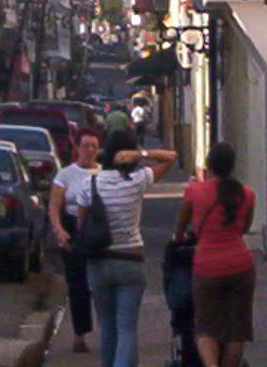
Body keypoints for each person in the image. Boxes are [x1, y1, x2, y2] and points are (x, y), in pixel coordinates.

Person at [75, 130, 177, 367]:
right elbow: (170, 157)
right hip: (130, 260)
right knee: (127, 327)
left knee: (107, 327)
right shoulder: (137, 180)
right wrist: (140, 153)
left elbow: (81, 224)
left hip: (99, 262)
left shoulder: (90, 183)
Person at [173, 143, 256, 367]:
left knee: (206, 326)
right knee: (237, 329)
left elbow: (180, 225)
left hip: (207, 267)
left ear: (209, 165)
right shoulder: (247, 194)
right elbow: (244, 228)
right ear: (232, 166)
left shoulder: (195, 191)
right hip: (241, 265)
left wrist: (179, 237)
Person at [49, 127, 102, 353]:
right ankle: (80, 335)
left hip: (98, 229)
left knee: (100, 283)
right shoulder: (65, 175)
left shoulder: (104, 173)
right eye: (85, 146)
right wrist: (59, 230)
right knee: (77, 284)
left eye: (94, 146)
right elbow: (54, 206)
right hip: (73, 229)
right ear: (77, 148)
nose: (89, 150)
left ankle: (108, 330)